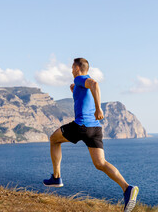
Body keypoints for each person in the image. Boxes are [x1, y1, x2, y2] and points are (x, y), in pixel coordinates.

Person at [43, 58, 139, 212]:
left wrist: (98, 108)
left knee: (54, 140)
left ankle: (56, 177)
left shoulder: (81, 78)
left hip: (82, 125)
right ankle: (127, 188)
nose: (71, 69)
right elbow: (86, 92)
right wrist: (74, 89)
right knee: (100, 163)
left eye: (72, 67)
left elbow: (94, 84)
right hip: (95, 129)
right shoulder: (79, 83)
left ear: (76, 67)